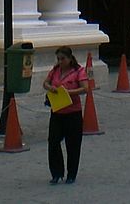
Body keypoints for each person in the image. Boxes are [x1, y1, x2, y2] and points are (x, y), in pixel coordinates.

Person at [42, 46, 87, 185]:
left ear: (69, 58)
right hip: (57, 111)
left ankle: (71, 174)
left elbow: (85, 88)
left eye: (63, 59)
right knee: (53, 141)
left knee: (72, 144)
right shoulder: (55, 70)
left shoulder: (78, 71)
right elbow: (45, 82)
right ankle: (56, 173)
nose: (60, 61)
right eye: (58, 59)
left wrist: (69, 92)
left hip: (73, 112)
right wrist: (51, 88)